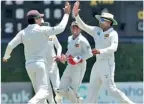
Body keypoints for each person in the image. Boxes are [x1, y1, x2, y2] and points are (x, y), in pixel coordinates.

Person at [2, 2, 71, 104]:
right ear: (36, 19)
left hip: (29, 65)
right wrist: (66, 14)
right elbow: (60, 28)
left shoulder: (23, 33)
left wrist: (6, 56)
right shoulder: (43, 30)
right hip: (40, 64)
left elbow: (10, 45)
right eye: (39, 18)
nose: (41, 19)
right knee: (44, 91)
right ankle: (31, 102)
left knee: (40, 94)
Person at [72, 1, 135, 104]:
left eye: (102, 20)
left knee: (111, 89)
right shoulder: (97, 30)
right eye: (99, 19)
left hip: (107, 64)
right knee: (92, 92)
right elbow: (83, 26)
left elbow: (114, 47)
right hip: (97, 65)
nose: (99, 22)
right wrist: (76, 15)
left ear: (109, 22)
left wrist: (100, 51)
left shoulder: (113, 33)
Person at [55, 21, 93, 104]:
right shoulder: (69, 38)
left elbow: (89, 53)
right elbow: (70, 51)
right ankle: (78, 99)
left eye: (77, 27)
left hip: (79, 66)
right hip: (70, 65)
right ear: (71, 28)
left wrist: (77, 59)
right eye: (73, 27)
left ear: (80, 29)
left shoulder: (83, 40)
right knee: (61, 89)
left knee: (72, 90)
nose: (75, 29)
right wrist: (64, 57)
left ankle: (77, 99)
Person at [40, 19, 62, 104]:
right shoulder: (37, 36)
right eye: (42, 25)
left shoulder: (52, 35)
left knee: (57, 89)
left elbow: (59, 46)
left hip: (53, 64)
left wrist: (59, 54)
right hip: (43, 65)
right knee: (47, 89)